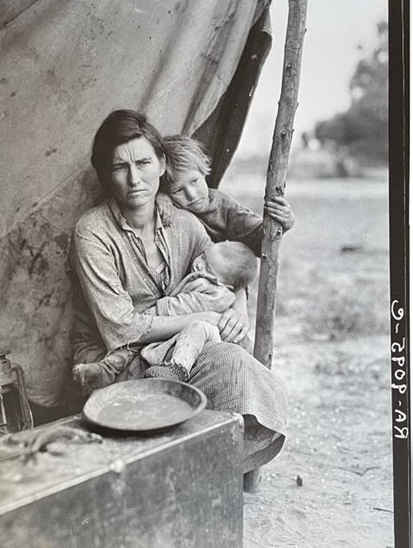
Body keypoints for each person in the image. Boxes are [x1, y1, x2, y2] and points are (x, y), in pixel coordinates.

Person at [68, 109, 288, 489]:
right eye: (120, 168)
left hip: (175, 350)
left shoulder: (183, 221)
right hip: (116, 360)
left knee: (238, 346)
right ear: (105, 175)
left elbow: (224, 270)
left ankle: (200, 470)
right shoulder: (92, 233)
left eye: (143, 162)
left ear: (161, 164)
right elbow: (120, 327)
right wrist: (206, 320)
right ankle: (186, 472)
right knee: (229, 359)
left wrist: (237, 307)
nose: (134, 178)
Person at [73, 240, 258, 390]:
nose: (198, 264)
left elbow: (183, 306)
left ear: (226, 285)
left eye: (207, 268)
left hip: (194, 336)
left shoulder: (217, 294)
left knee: (194, 329)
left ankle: (176, 369)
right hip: (177, 331)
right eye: (203, 256)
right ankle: (105, 370)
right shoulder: (211, 276)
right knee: (131, 346)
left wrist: (157, 311)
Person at [162, 134, 295, 255]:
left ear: (203, 171)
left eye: (194, 181)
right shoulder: (166, 206)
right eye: (178, 190)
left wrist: (283, 223)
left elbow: (257, 237)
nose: (191, 195)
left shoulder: (224, 206)